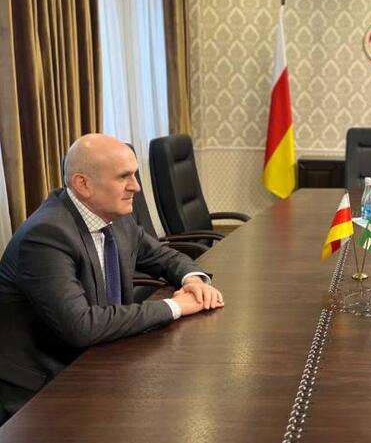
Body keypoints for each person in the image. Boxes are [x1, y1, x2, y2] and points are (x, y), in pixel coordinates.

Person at [0, 134, 225, 425]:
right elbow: (82, 326)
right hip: (44, 386)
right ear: (83, 184)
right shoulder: (46, 236)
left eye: (134, 174)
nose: (136, 186)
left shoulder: (113, 216)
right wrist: (175, 306)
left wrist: (192, 279)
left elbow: (162, 256)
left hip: (98, 360)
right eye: (123, 177)